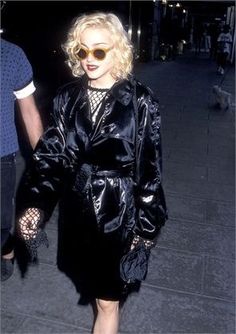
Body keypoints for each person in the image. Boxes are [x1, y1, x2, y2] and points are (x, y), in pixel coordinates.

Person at [17, 12, 168, 334]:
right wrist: (36, 205)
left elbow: (149, 170)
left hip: (119, 213)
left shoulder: (141, 101)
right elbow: (51, 158)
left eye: (99, 50)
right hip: (78, 214)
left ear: (118, 51)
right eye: (82, 50)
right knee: (93, 290)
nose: (89, 58)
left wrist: (145, 230)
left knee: (107, 300)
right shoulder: (67, 97)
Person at [1, 38, 43, 281]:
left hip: (2, 153)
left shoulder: (12, 55)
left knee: (1, 223)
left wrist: (45, 163)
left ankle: (7, 251)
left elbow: (29, 112)